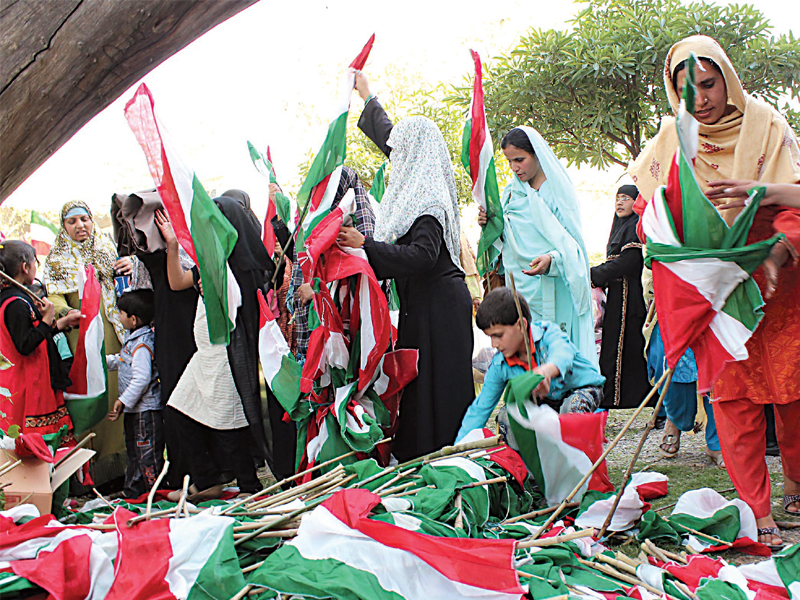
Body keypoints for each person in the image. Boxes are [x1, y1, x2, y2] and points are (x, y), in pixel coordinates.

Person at [629, 35, 800, 548]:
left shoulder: (768, 128)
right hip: (714, 294)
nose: (701, 100)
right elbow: (649, 214)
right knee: (732, 401)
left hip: (779, 289)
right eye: (688, 91)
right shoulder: (668, 141)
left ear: (727, 78)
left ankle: (796, 484)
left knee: (793, 398)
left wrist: (776, 250)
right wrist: (685, 251)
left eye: (708, 84)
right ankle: (756, 507)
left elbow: (796, 206)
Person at [337, 72, 474, 461]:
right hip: (427, 304)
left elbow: (422, 256)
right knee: (421, 385)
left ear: (415, 154)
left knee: (441, 389)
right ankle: (424, 454)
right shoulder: (419, 187)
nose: (395, 159)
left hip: (441, 305)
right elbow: (390, 138)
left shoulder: (428, 198)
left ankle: (447, 456)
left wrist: (368, 245)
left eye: (401, 153)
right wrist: (365, 94)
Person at [155, 208, 261, 500]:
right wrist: (173, 246)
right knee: (177, 411)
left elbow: (236, 309)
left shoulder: (240, 264)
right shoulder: (207, 260)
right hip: (202, 356)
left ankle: (249, 486)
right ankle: (207, 479)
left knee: (228, 424)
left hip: (224, 355)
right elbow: (177, 283)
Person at [479, 127, 597, 368]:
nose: (514, 167)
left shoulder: (558, 192)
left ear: (537, 155)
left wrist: (552, 260)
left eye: (520, 159)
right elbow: (506, 239)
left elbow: (573, 247)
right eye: (510, 161)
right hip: (522, 288)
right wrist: (489, 224)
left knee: (557, 350)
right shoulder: (511, 193)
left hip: (556, 285)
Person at [42, 200, 132, 488]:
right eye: (72, 222)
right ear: (63, 227)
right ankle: (89, 474)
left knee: (116, 397)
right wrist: (64, 312)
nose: (80, 226)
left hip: (113, 335)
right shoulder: (57, 260)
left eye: (84, 219)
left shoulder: (107, 250)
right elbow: (53, 297)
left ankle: (120, 468)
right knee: (90, 397)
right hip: (82, 335)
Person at [455, 288, 605, 443]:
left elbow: (563, 355)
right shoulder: (500, 364)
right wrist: (458, 447)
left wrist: (545, 372)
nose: (494, 344)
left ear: (521, 325)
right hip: (544, 401)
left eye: (498, 335)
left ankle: (578, 461)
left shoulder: (548, 332)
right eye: (490, 337)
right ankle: (523, 464)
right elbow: (480, 408)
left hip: (581, 389)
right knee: (507, 415)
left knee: (572, 409)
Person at [286, 166, 375, 364]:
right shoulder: (310, 227)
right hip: (309, 337)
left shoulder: (352, 230)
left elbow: (363, 276)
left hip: (344, 346)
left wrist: (318, 289)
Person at [0, 241, 81, 437]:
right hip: (29, 384)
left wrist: (60, 323)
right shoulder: (16, 303)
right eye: (35, 262)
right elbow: (26, 344)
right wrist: (47, 319)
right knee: (35, 442)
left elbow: (34, 332)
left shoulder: (16, 297)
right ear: (25, 267)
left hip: (32, 379)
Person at [590, 185, 650, 409]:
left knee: (629, 346)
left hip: (630, 297)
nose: (620, 203)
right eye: (617, 198)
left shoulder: (635, 226)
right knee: (614, 345)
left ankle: (629, 398)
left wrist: (595, 274)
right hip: (617, 297)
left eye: (626, 198)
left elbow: (630, 262)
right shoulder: (619, 228)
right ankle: (615, 397)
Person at [106, 290, 162, 499]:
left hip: (144, 412)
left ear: (133, 319)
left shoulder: (142, 345)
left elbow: (141, 378)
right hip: (135, 411)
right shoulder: (132, 340)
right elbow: (121, 361)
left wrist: (123, 400)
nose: (119, 317)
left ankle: (153, 494)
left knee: (147, 454)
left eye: (121, 313)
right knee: (134, 453)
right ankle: (134, 492)